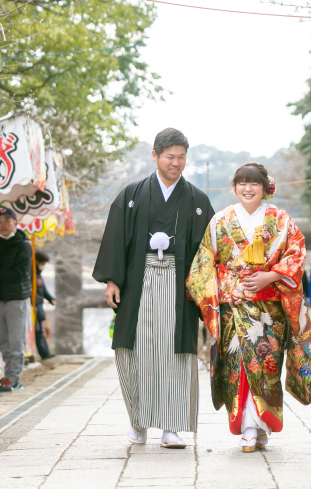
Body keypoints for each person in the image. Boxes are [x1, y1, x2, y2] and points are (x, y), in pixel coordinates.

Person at [92, 128, 215, 449]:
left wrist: (207, 293)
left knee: (176, 353)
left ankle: (172, 427)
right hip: (139, 280)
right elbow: (116, 239)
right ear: (155, 156)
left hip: (180, 285)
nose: (176, 163)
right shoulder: (132, 195)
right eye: (170, 157)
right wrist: (112, 280)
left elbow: (209, 253)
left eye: (182, 157)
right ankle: (138, 421)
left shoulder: (198, 200)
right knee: (136, 350)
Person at [187, 163, 311, 452]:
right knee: (240, 366)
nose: (248, 189)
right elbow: (203, 263)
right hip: (233, 307)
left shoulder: (281, 220)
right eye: (242, 184)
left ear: (265, 188)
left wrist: (270, 276)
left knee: (266, 367)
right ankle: (249, 427)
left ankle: (260, 424)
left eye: (254, 184)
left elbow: (296, 253)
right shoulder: (220, 220)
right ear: (234, 188)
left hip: (269, 311)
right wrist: (223, 289)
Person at [0, 208, 32, 393]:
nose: (2, 225)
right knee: (3, 341)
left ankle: (14, 379)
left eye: (6, 221)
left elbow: (20, 274)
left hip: (18, 299)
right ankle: (8, 376)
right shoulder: (0, 243)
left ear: (15, 223)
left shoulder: (24, 244)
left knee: (16, 341)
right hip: (2, 298)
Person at [34, 251, 56, 360]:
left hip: (39, 305)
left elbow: (43, 290)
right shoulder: (32, 273)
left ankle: (45, 351)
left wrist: (51, 298)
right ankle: (43, 352)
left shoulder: (38, 274)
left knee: (40, 330)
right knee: (38, 330)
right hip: (34, 306)